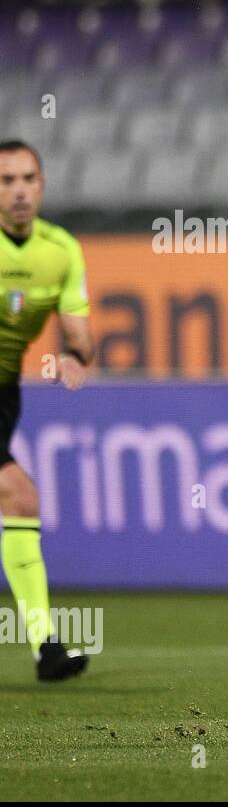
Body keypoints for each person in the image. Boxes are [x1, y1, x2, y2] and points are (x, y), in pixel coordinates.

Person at [0, 140, 95, 681]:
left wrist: (72, 359)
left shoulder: (60, 250)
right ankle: (45, 648)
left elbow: (81, 337)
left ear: (41, 185)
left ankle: (44, 650)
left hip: (3, 391)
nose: (18, 191)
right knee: (19, 493)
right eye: (7, 179)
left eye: (28, 178)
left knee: (18, 497)